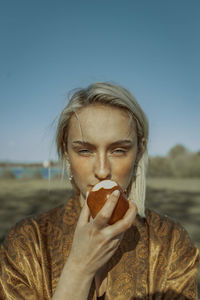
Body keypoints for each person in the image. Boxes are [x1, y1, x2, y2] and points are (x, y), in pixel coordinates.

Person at [0, 82, 199, 300]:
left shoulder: (170, 243)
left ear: (139, 151)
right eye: (85, 150)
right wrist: (79, 268)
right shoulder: (27, 243)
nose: (102, 170)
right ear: (66, 152)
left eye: (119, 150)